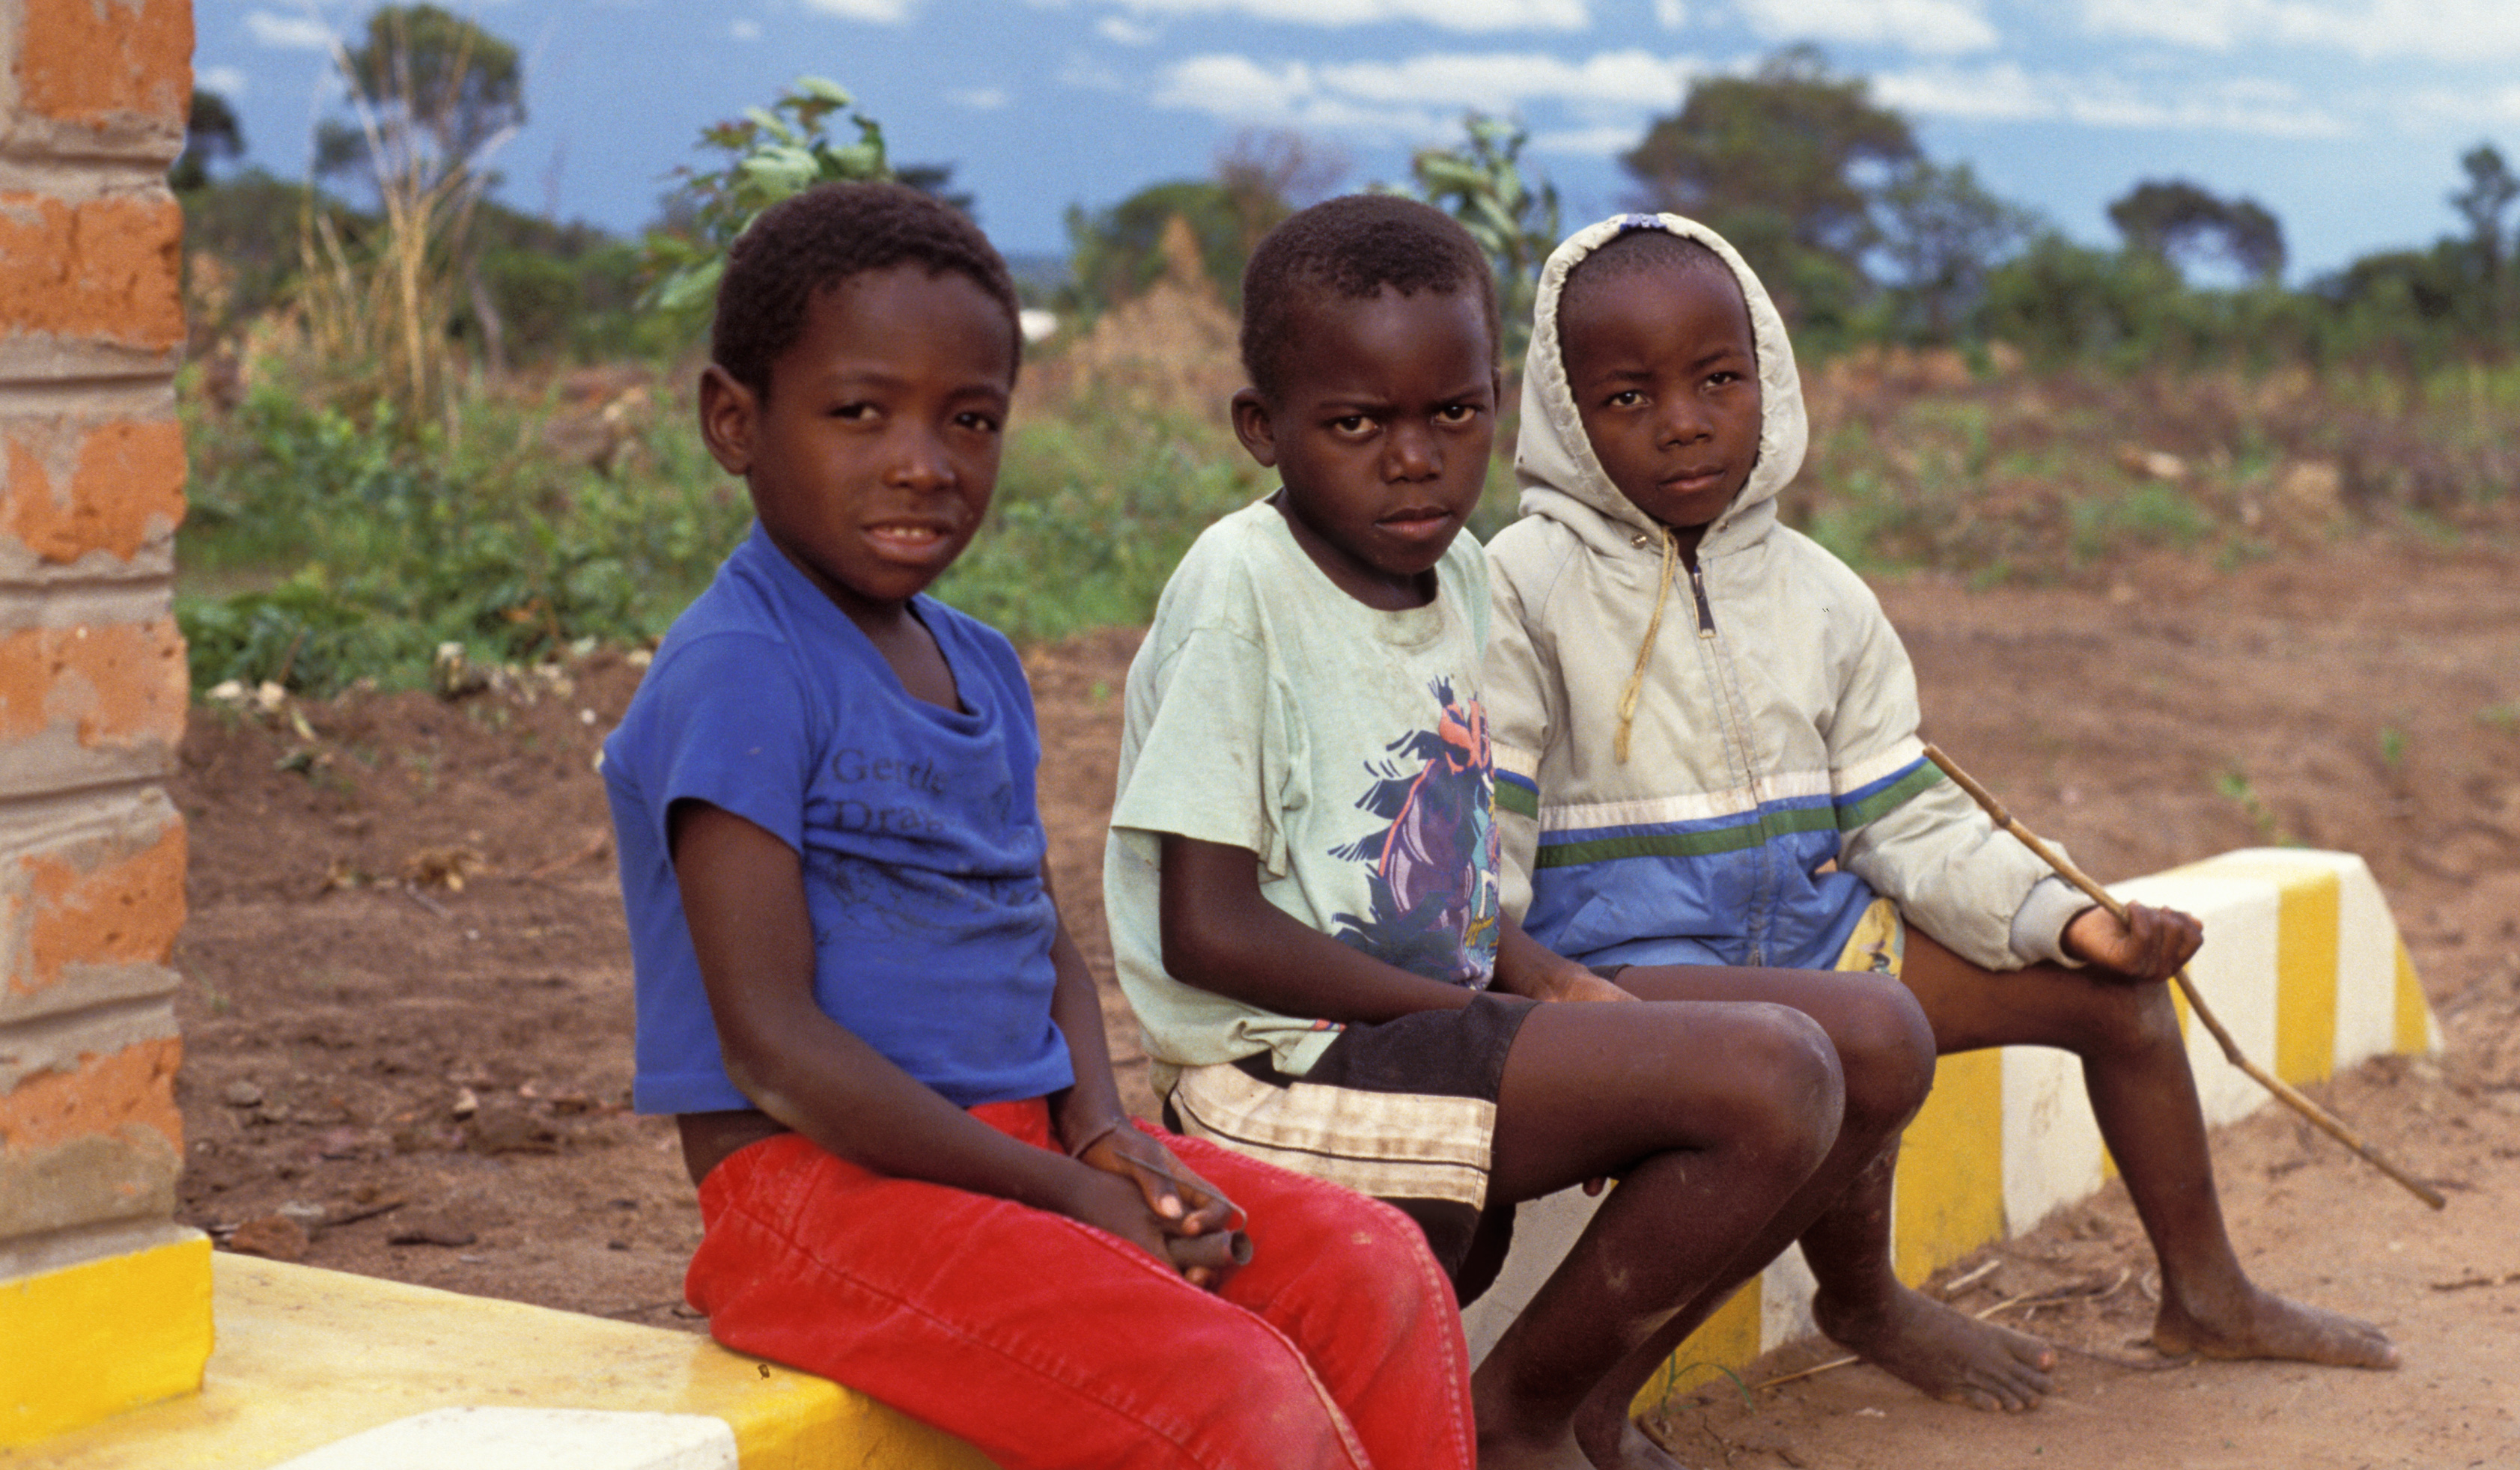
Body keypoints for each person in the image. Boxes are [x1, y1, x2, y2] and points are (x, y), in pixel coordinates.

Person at [603, 180, 1474, 1470]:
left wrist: (1102, 1134)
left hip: (1010, 1155)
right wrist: (1066, 1198)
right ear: (734, 422)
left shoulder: (979, 664)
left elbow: (1033, 935)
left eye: (971, 420)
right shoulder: (740, 669)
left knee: (1372, 1265)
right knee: (1228, 1388)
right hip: (813, 1197)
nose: (922, 461)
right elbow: (774, 1049)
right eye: (859, 412)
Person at [1485, 213, 2399, 1413]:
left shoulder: (1819, 596)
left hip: (1811, 946)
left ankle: (2206, 1296)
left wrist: (2069, 922)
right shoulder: (1519, 590)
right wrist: (1536, 995)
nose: (1684, 421)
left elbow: (1902, 821)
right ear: (1563, 415)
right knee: (1856, 1032)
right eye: (1626, 396)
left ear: (1768, 377)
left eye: (1718, 380)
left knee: (2111, 994)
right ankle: (1615, 1394)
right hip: (1629, 975)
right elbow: (1477, 849)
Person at [1101, 194, 1935, 1470]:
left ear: (1497, 402)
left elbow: (1445, 876)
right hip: (1275, 1071)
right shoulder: (1241, 587)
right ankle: (1519, 1426)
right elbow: (1203, 927)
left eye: (1452, 413)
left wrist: (1549, 986)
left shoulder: (1462, 576)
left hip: (1418, 1019)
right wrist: (1480, 1015)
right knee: (1773, 1077)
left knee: (1869, 1033)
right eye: (1355, 424)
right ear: (1262, 430)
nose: (1414, 458)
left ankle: (1588, 1402)